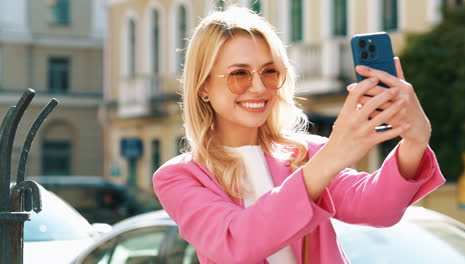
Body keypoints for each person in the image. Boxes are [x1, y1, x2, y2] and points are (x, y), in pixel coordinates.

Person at [153, 6, 445, 264]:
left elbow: (378, 209)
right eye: (239, 74)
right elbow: (236, 243)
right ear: (203, 86)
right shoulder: (180, 177)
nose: (258, 87)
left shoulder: (307, 153)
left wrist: (414, 142)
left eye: (269, 71)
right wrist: (333, 155)